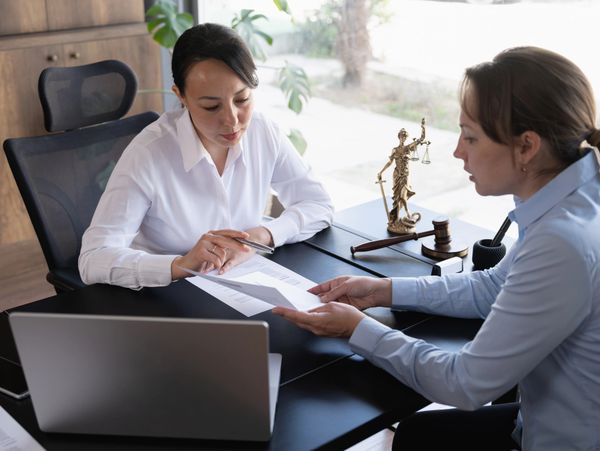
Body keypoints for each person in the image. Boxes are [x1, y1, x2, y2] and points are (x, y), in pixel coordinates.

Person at [274, 46, 600, 451]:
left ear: (527, 147)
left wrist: (357, 328)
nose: (458, 151)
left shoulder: (562, 242)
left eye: (470, 136)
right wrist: (381, 290)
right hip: (539, 420)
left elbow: (464, 383)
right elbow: (493, 288)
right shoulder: (576, 198)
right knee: (417, 435)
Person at [79, 23, 333, 289]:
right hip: (169, 295)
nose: (231, 120)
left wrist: (262, 235)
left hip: (244, 282)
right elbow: (93, 259)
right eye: (211, 106)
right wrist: (180, 264)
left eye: (242, 99)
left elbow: (319, 205)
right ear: (181, 96)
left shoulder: (262, 131)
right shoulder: (149, 153)